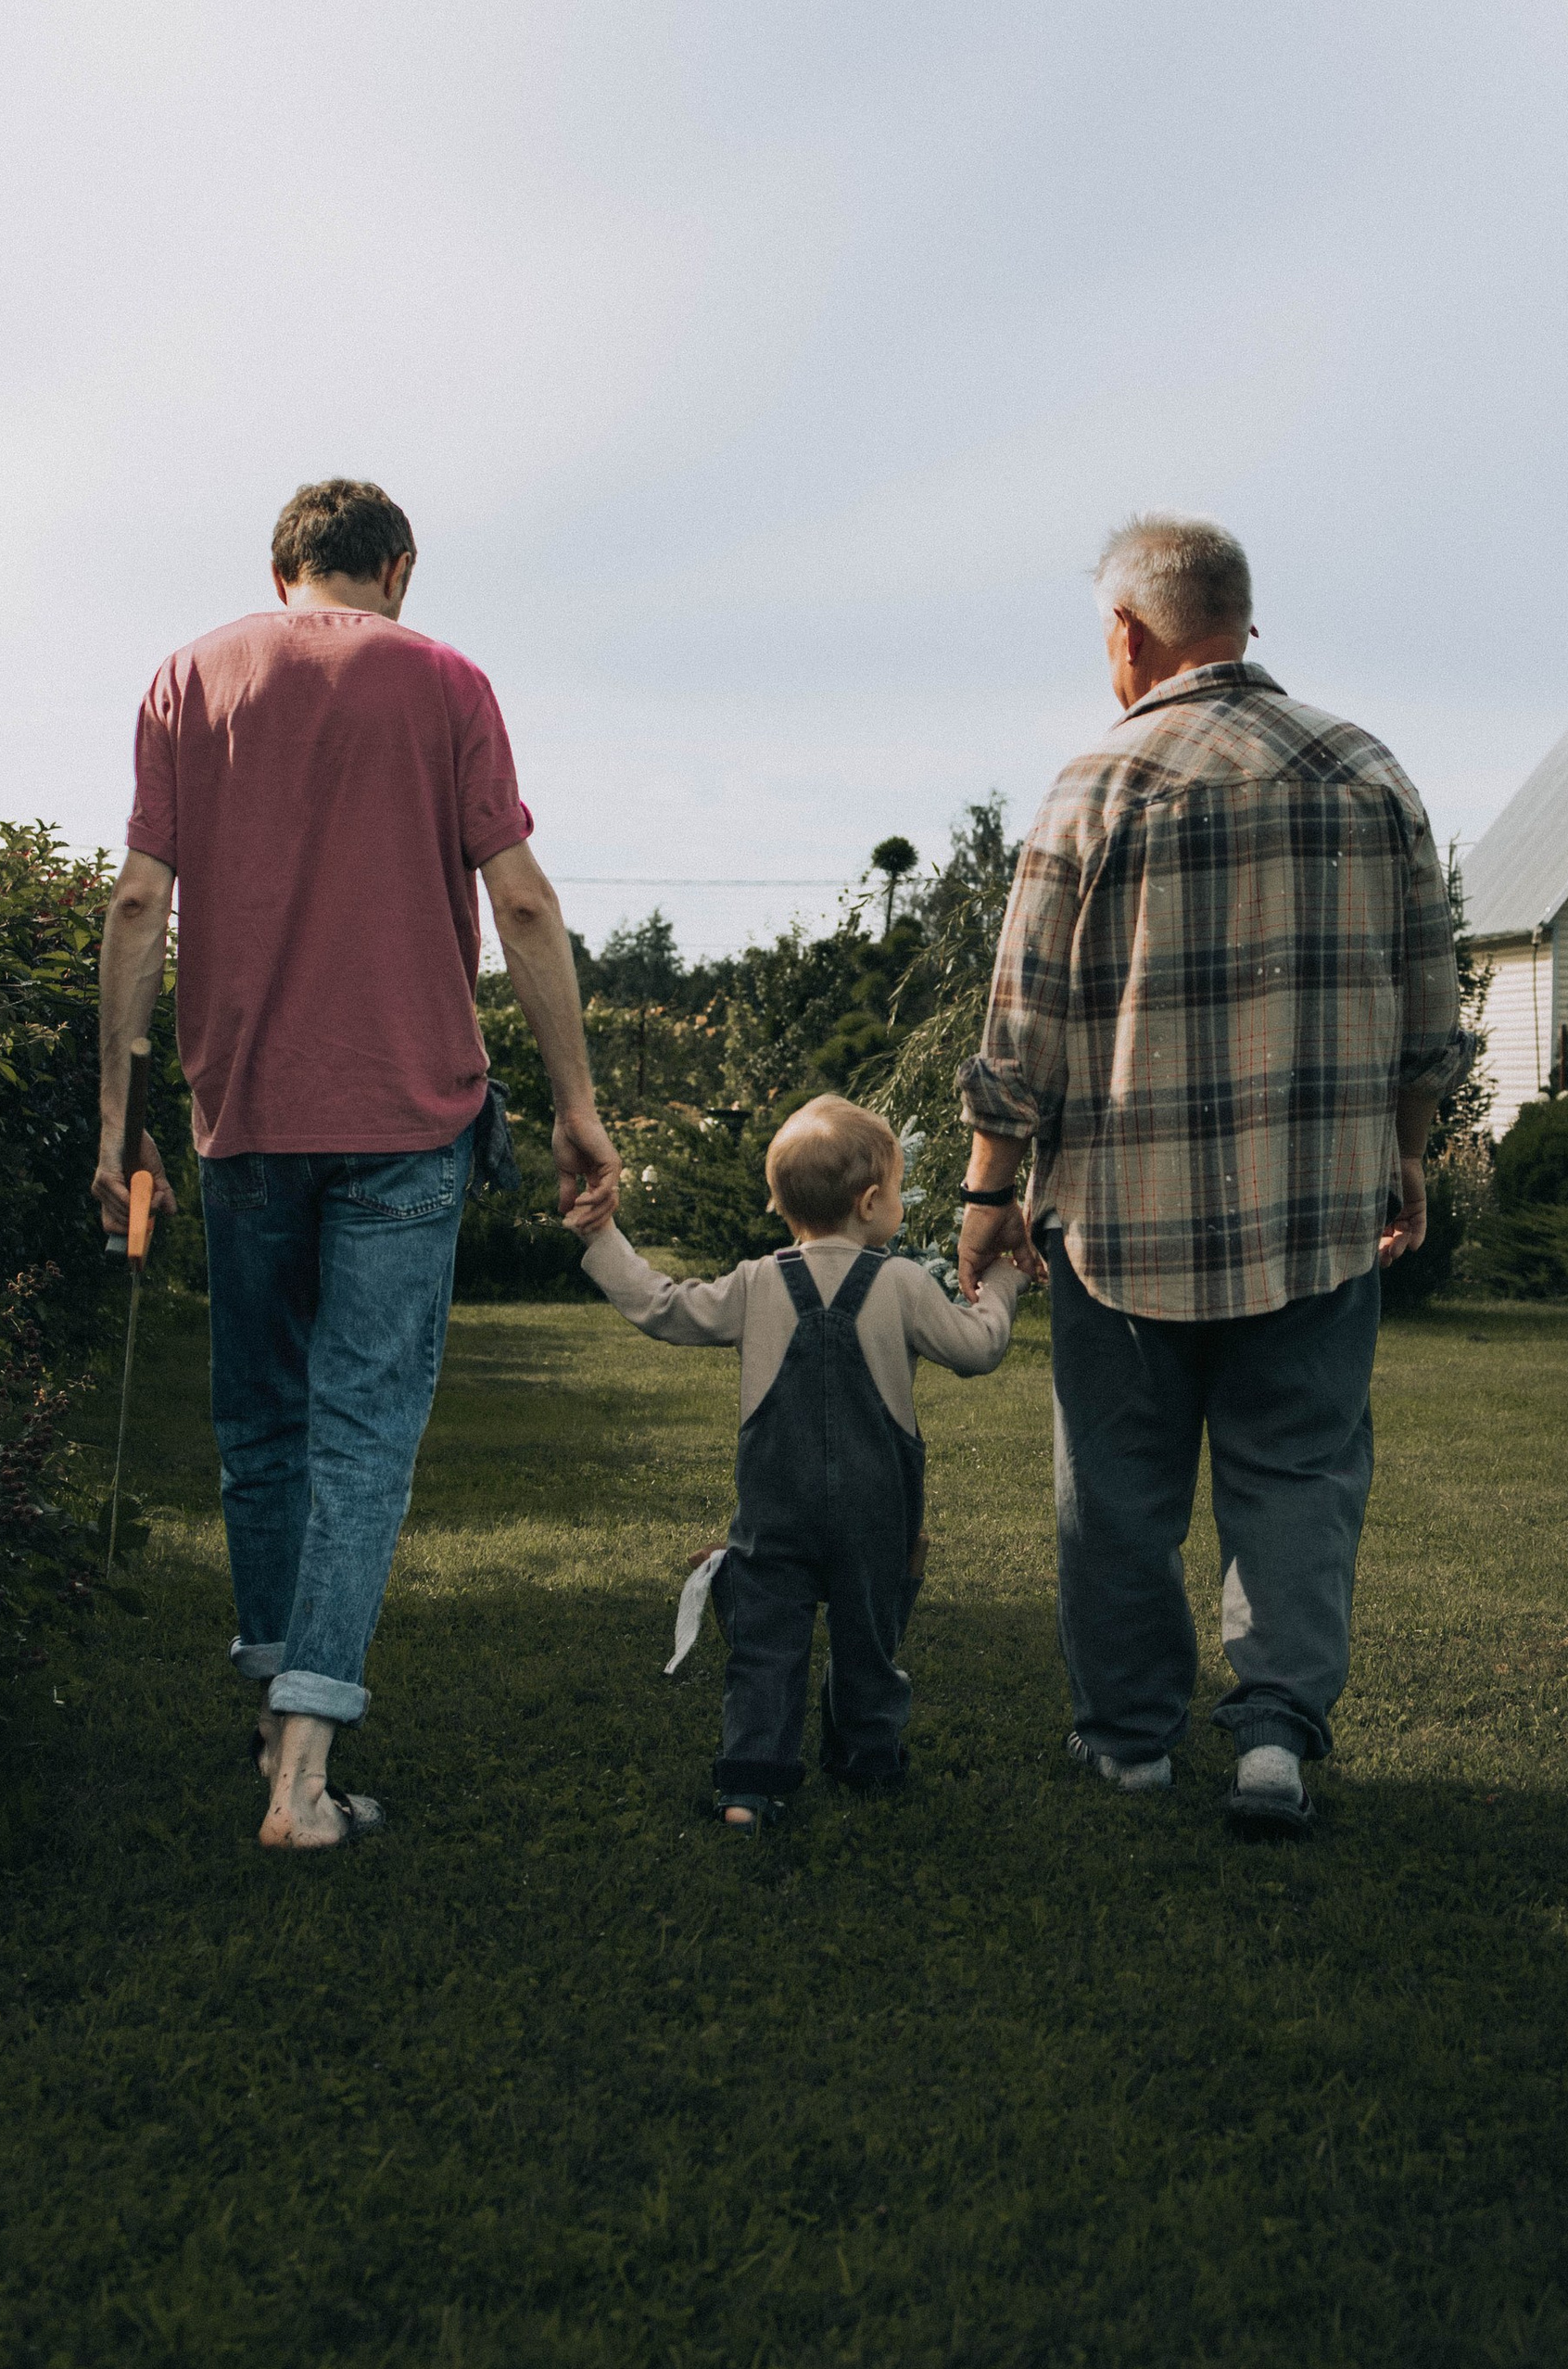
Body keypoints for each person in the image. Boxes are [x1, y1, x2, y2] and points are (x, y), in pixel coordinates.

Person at [93, 477, 620, 1851]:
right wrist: (576, 1100)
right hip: (404, 1114)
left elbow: (143, 899)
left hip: (242, 1116)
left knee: (260, 1426)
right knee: (364, 1430)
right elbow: (520, 900)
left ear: (283, 575)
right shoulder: (445, 679)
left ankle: (277, 1712)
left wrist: (116, 1116)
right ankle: (304, 1779)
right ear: (398, 567)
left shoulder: (187, 679)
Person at [955, 513, 1470, 1843]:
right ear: (1242, 622)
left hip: (1124, 1227)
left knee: (1118, 1489)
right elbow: (1431, 1004)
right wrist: (1407, 1150)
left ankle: (1129, 1746)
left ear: (1128, 635)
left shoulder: (1097, 786)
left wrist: (982, 1193)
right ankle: (1276, 1740)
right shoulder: (1371, 772)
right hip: (1320, 1215)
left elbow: (1026, 1027)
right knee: (1297, 1477)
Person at [575, 1096, 1020, 1828]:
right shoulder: (903, 1284)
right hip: (876, 1514)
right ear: (872, 1201)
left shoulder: (755, 1284)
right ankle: (867, 1759)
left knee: (765, 1647)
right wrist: (1003, 1282)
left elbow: (663, 1306)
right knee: (867, 1641)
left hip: (773, 1512)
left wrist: (603, 1239)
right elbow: (978, 1349)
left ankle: (749, 1787)